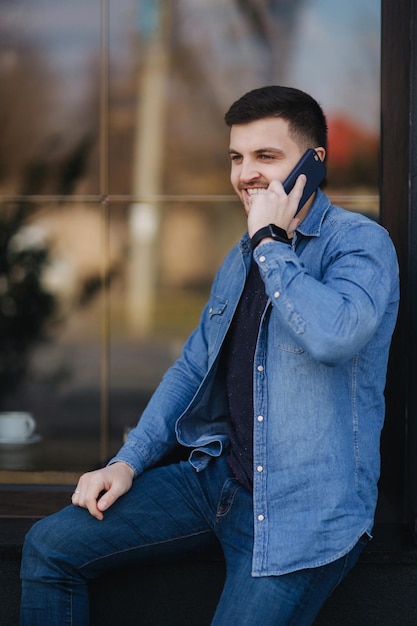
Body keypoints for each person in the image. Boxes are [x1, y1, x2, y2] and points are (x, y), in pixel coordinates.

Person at [20, 85, 399, 626]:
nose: (246, 173)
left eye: (266, 157)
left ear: (314, 165)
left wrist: (272, 242)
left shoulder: (359, 244)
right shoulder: (241, 255)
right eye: (236, 158)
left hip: (301, 512)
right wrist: (128, 461)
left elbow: (334, 336)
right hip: (214, 478)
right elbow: (193, 366)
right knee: (49, 547)